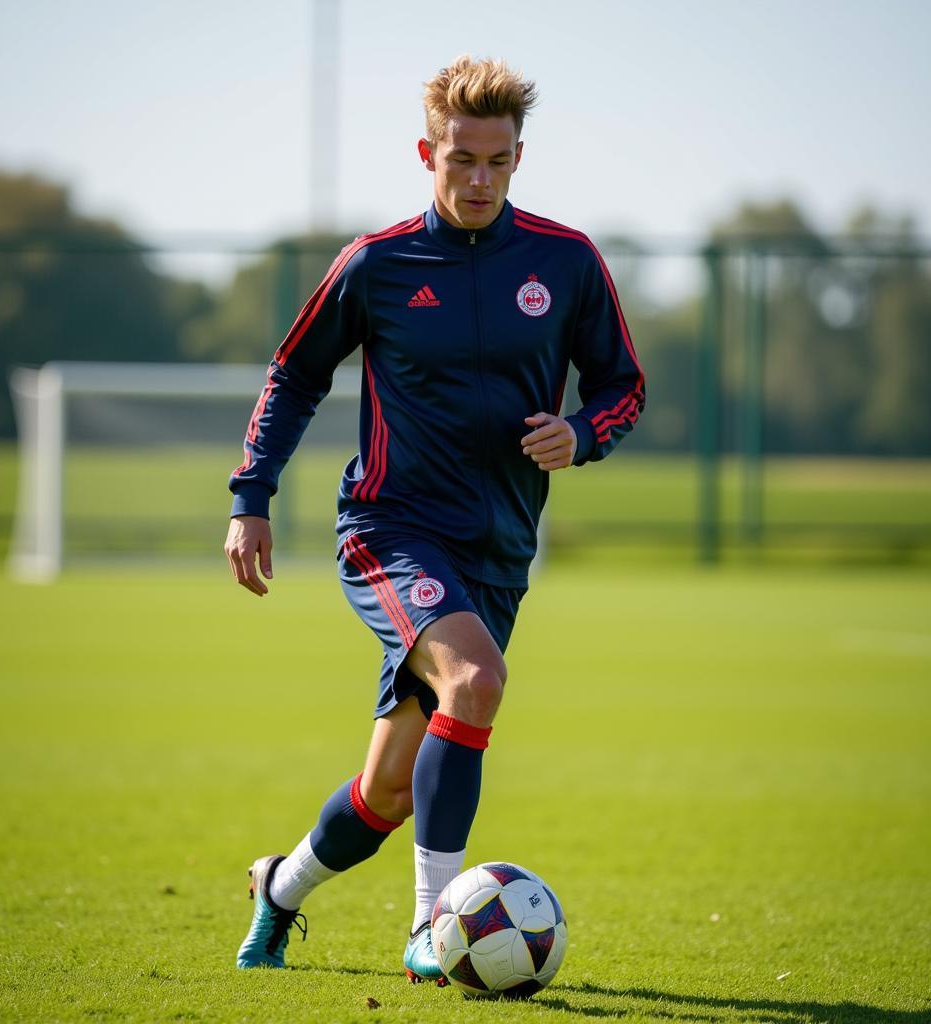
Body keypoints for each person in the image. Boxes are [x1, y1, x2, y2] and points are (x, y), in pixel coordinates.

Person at [224, 55, 644, 982]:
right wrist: (252, 495)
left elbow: (624, 387)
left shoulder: (566, 261)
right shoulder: (375, 265)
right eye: (462, 160)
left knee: (386, 791)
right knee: (478, 681)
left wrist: (581, 432)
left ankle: (278, 890)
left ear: (519, 158)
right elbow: (293, 375)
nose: (480, 179)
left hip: (497, 550)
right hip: (390, 529)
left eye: (498, 162)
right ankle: (431, 929)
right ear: (429, 153)